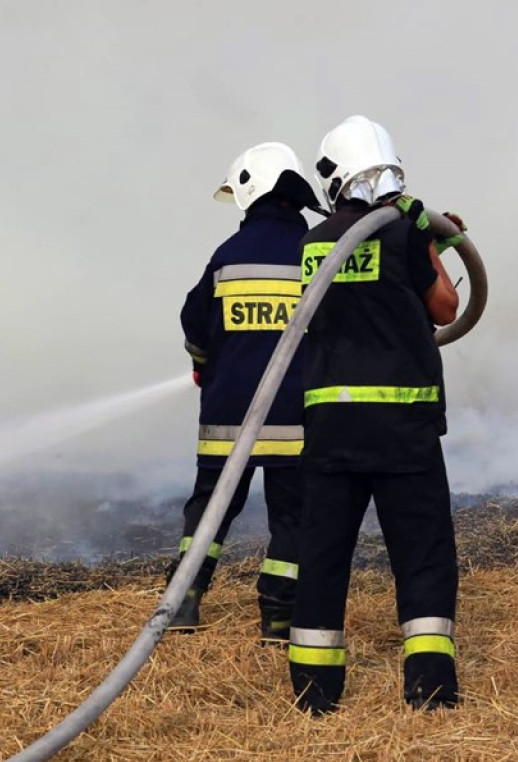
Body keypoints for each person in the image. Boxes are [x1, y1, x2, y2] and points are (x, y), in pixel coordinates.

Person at [288, 115, 463, 713]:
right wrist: (435, 247)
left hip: (332, 427)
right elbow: (445, 306)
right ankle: (431, 689)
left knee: (323, 554)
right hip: (403, 428)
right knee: (422, 552)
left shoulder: (313, 243)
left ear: (333, 173)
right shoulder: (405, 231)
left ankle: (314, 694)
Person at [169, 142, 316, 641]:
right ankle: (278, 618)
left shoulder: (227, 257)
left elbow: (194, 322)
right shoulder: (316, 254)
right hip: (295, 418)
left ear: (250, 192)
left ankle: (184, 602)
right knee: (293, 521)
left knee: (209, 512)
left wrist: (202, 365)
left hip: (227, 414)